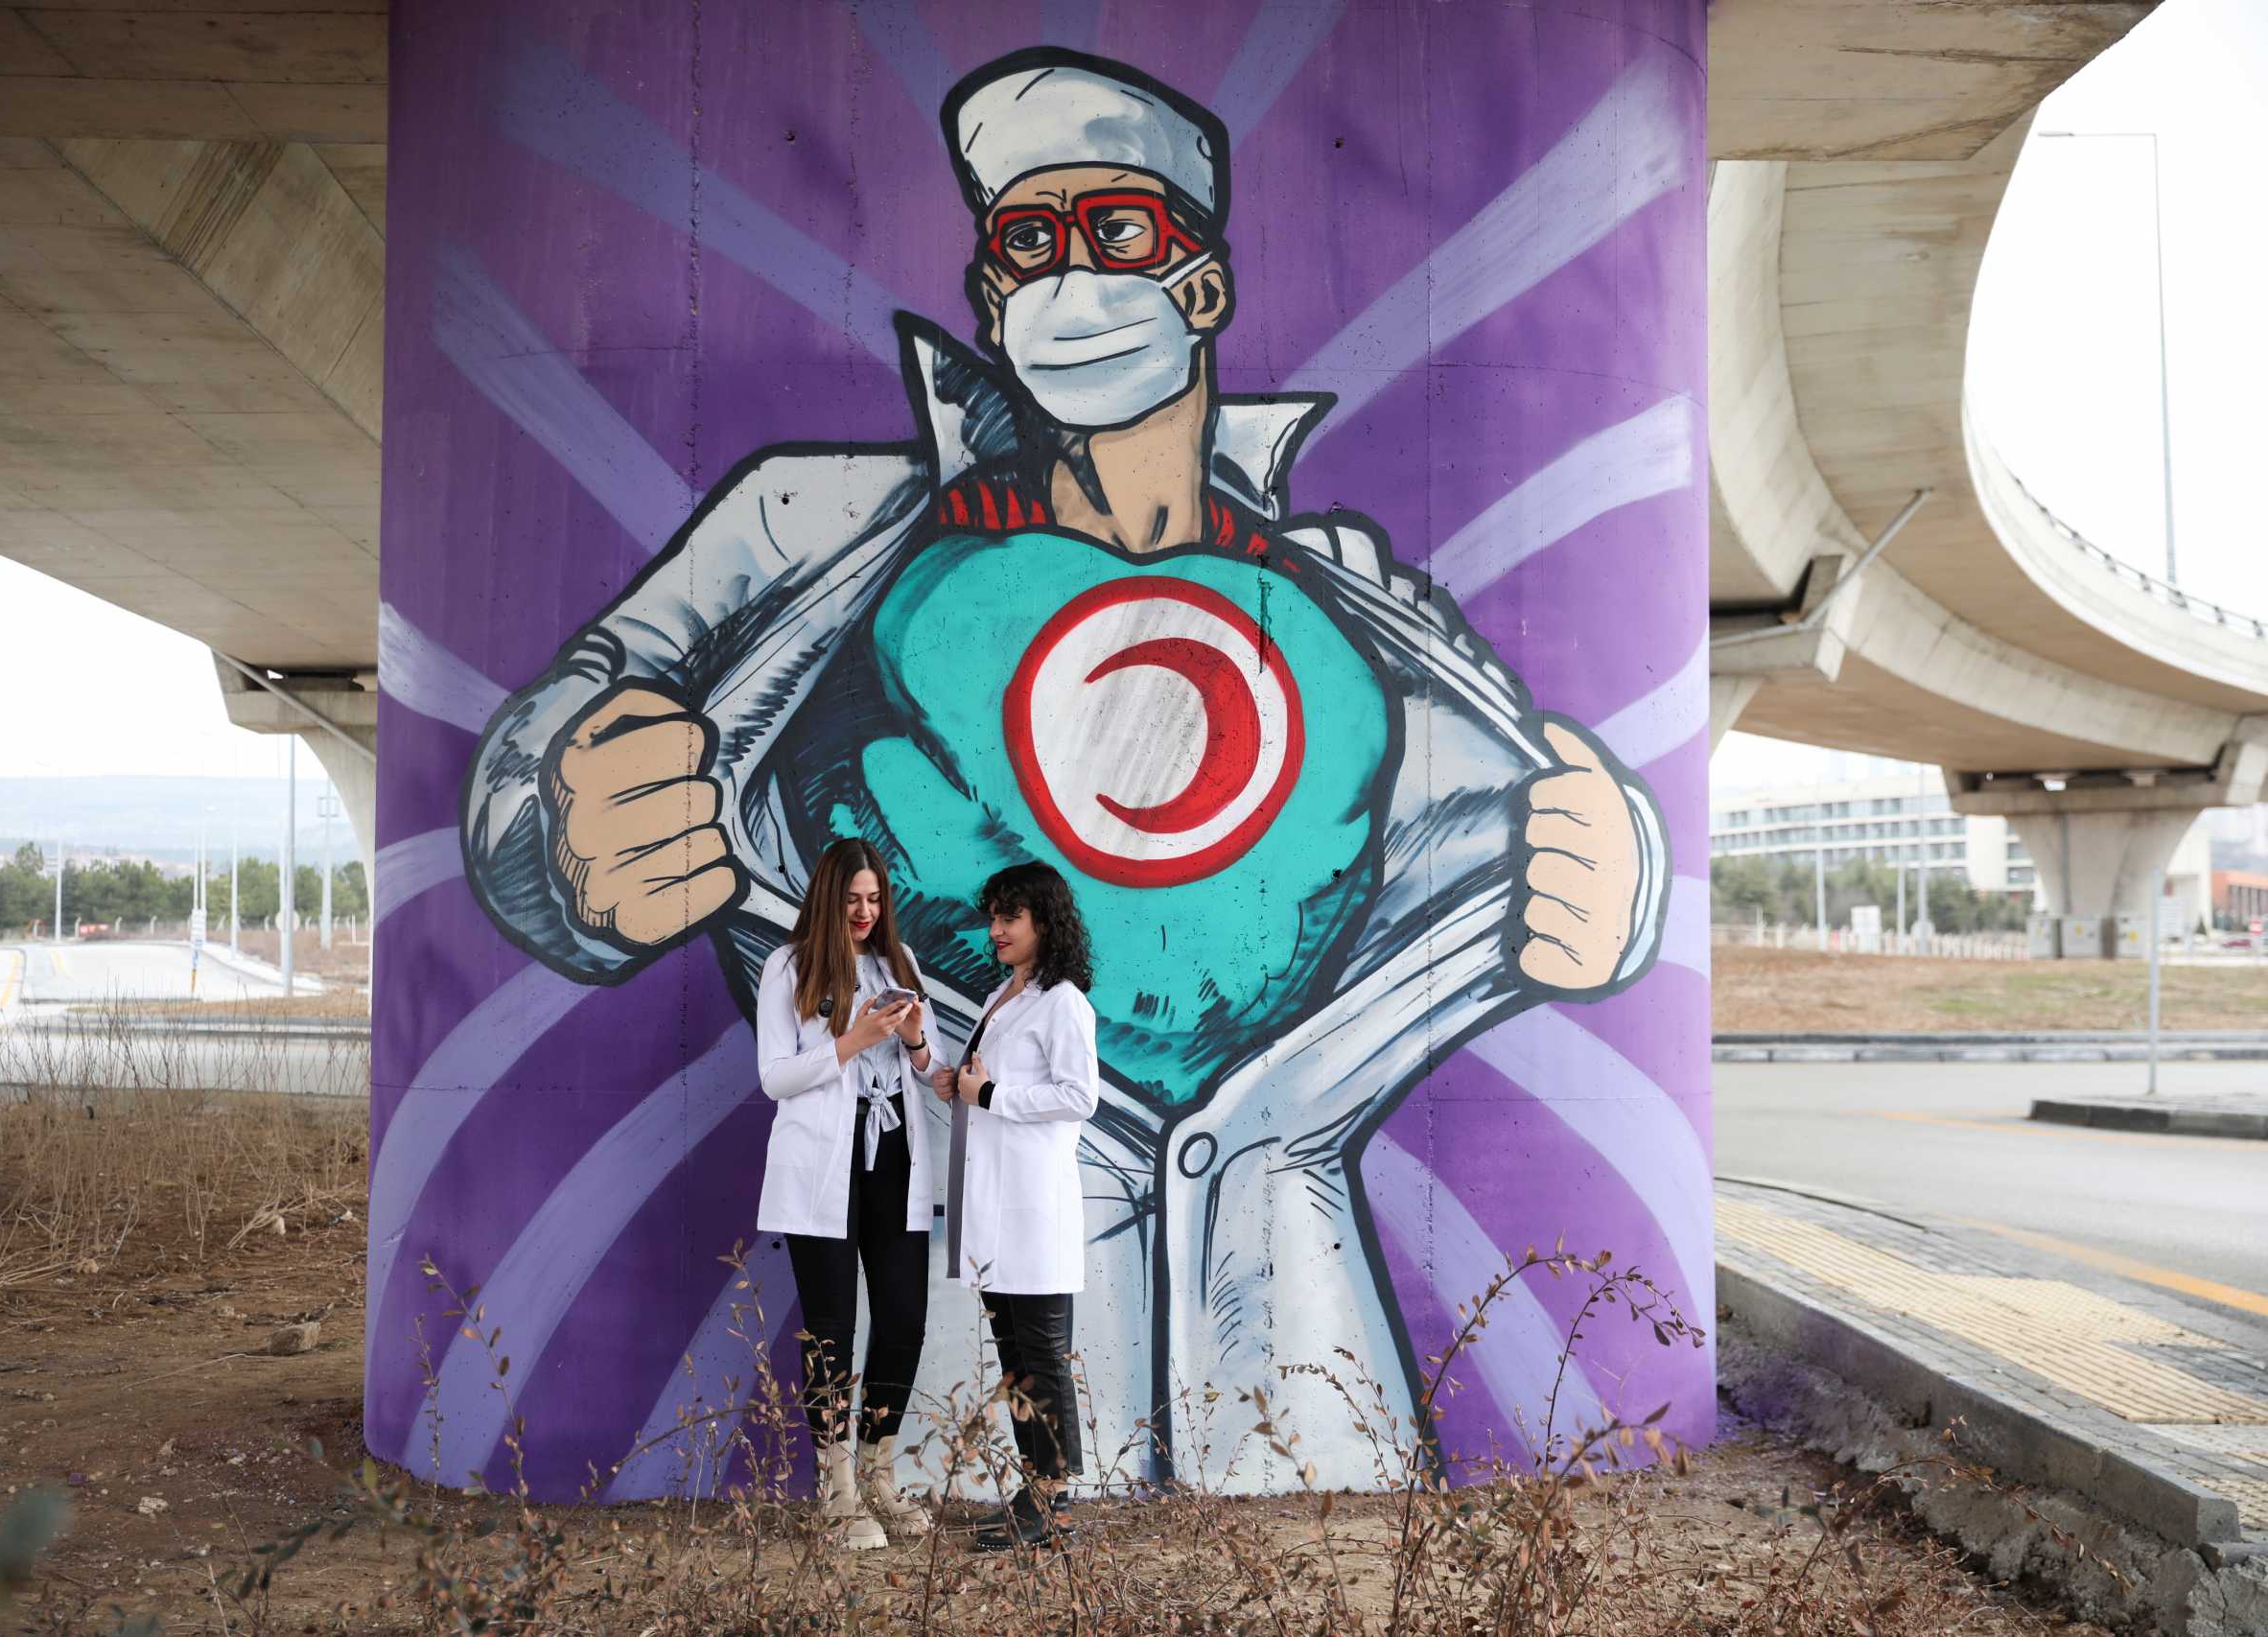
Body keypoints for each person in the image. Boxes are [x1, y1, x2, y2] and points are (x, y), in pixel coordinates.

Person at [463, 47, 1670, 1487]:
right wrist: (563, 839)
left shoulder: (1341, 587)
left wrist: (1623, 880)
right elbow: (562, 730)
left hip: (1294, 1352)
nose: (1067, 281)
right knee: (987, 1488)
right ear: (989, 300)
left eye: (1116, 235)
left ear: (1203, 286)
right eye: (1026, 247)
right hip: (982, 1258)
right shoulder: (820, 524)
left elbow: (1529, 802)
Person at [756, 838, 944, 1550]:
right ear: (828, 897)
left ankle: (879, 1475)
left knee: (903, 1317)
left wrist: (919, 1040)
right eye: (852, 899)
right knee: (832, 1326)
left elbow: (931, 1071)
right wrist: (853, 1039)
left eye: (874, 899)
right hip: (822, 1166)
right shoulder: (789, 966)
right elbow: (773, 1075)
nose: (865, 912)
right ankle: (836, 1492)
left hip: (893, 1157)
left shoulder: (900, 963)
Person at [934, 861, 1099, 1551]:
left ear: (1044, 923)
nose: (996, 929)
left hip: (1033, 1210)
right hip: (996, 1210)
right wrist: (952, 1078)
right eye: (994, 915)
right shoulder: (1005, 996)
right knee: (1016, 1362)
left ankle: (1055, 1507)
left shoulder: (1063, 1002)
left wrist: (992, 1096)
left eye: (1012, 916)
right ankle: (1034, 1490)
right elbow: (985, 1085)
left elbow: (1079, 1096)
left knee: (1043, 1360)